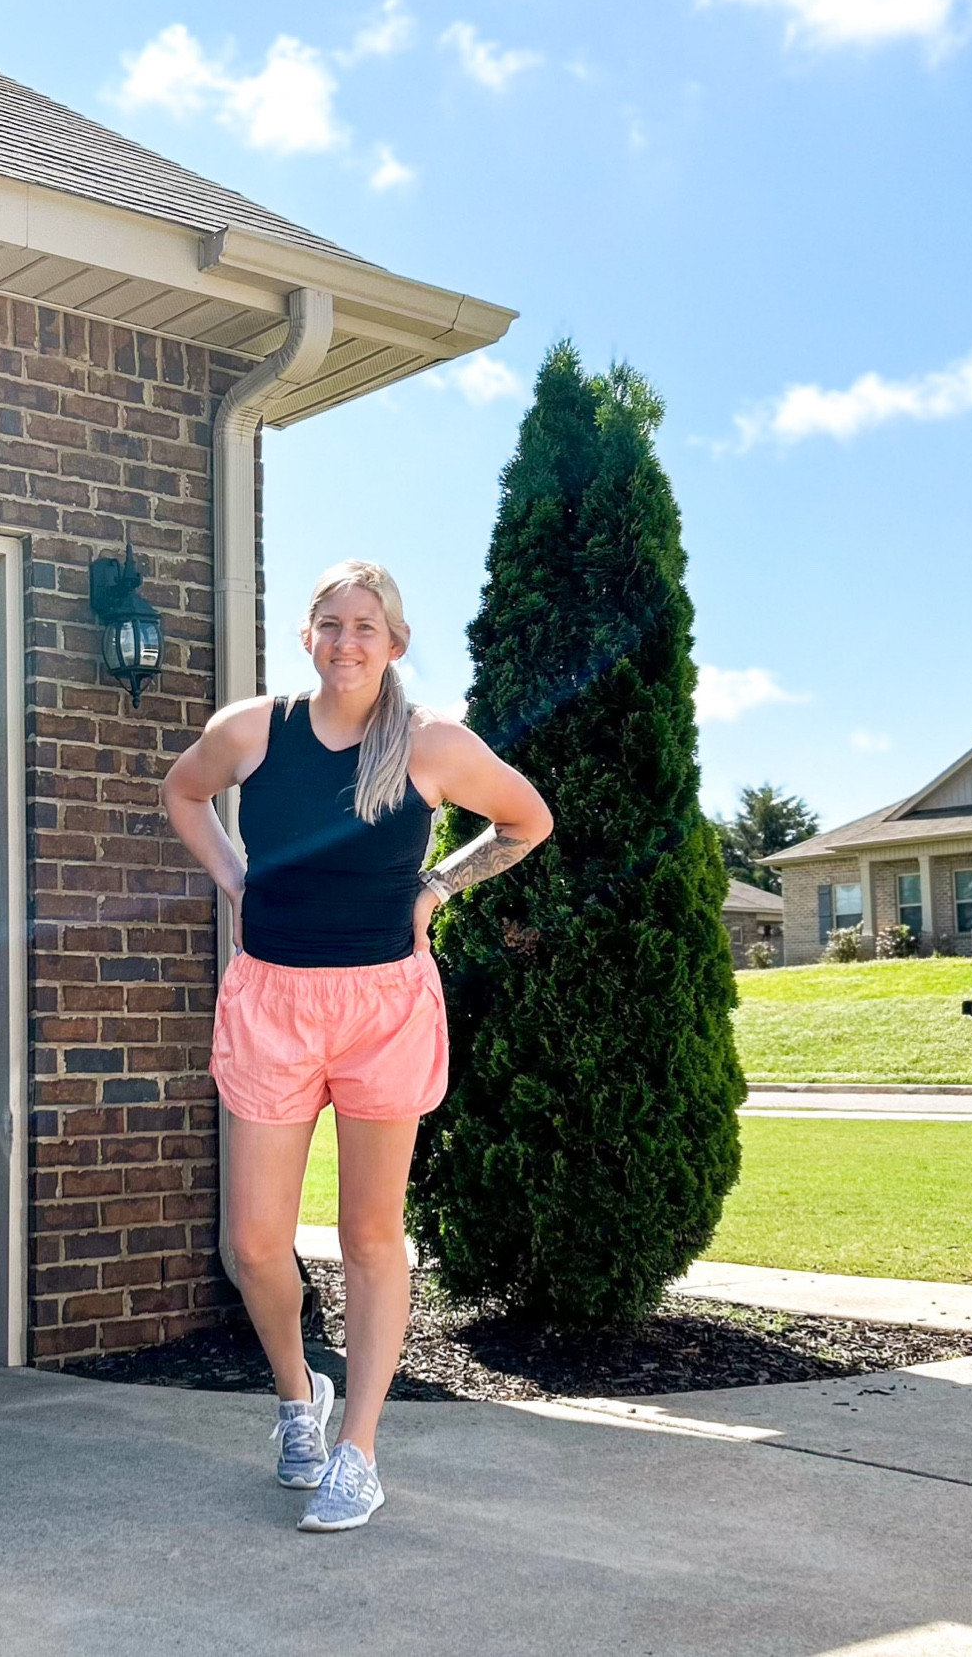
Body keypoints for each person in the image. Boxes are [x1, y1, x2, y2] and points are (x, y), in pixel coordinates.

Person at [161, 559, 553, 1531]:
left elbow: (525, 819)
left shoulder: (430, 744)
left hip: (383, 1006)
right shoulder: (253, 731)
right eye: (328, 623)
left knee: (370, 1237)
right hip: (271, 1003)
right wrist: (236, 880)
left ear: (395, 644)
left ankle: (359, 1451)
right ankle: (300, 1400)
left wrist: (436, 888)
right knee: (254, 1242)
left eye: (364, 627)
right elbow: (181, 794)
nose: (345, 641)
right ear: (307, 636)